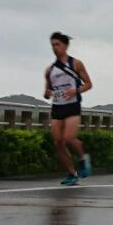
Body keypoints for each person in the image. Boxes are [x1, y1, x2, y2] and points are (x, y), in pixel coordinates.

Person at [43, 31, 93, 186]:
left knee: (69, 138)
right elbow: (47, 92)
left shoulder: (76, 63)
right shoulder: (49, 70)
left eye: (57, 44)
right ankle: (72, 173)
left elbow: (88, 84)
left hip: (72, 105)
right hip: (57, 107)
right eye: (52, 45)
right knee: (58, 142)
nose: (55, 48)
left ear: (65, 45)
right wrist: (47, 93)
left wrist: (75, 91)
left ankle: (83, 158)